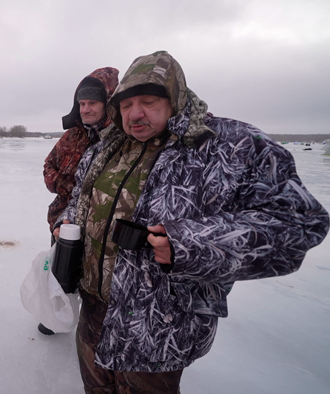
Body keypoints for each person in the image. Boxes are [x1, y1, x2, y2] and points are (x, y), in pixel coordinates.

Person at [55, 50, 329, 393]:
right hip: (94, 311)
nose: (135, 114)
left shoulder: (228, 146)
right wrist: (66, 223)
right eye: (126, 105)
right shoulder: (104, 149)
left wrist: (188, 244)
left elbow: (299, 223)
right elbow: (79, 196)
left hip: (158, 325)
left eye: (149, 101)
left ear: (175, 100)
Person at [40, 67, 119, 336]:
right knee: (60, 274)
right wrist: (66, 186)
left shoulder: (120, 138)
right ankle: (55, 316)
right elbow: (48, 165)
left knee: (94, 278)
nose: (85, 109)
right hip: (64, 220)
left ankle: (91, 325)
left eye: (92, 103)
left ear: (108, 103)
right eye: (81, 104)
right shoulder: (72, 135)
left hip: (101, 224)